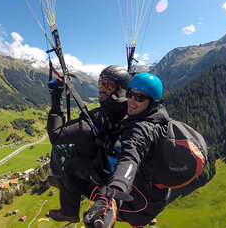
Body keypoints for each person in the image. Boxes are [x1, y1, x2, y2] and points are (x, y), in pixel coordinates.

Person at [83, 72, 172, 228]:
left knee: (89, 171)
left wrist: (111, 198)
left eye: (139, 98)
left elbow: (130, 158)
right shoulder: (154, 115)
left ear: (153, 102)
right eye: (130, 94)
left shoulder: (142, 129)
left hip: (144, 204)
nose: (131, 101)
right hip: (155, 192)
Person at [46, 65, 130, 223]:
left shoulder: (98, 118)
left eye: (108, 85)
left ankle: (67, 205)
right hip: (105, 156)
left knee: (62, 155)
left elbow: (56, 135)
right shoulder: (128, 108)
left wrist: (56, 97)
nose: (102, 89)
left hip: (97, 165)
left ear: (119, 89)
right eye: (100, 84)